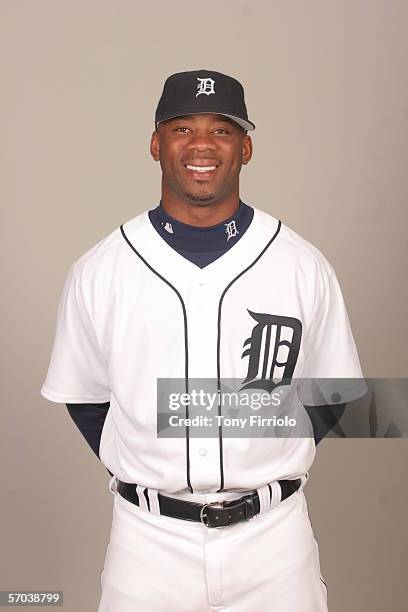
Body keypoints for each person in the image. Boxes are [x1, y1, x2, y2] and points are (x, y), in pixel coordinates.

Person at [41, 69, 366, 611]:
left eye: (221, 130)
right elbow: (84, 398)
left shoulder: (301, 264)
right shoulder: (102, 269)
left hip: (274, 542)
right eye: (181, 128)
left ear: (245, 148)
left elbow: (331, 395)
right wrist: (148, 465)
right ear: (155, 144)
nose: (201, 145)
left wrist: (262, 452)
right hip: (147, 545)